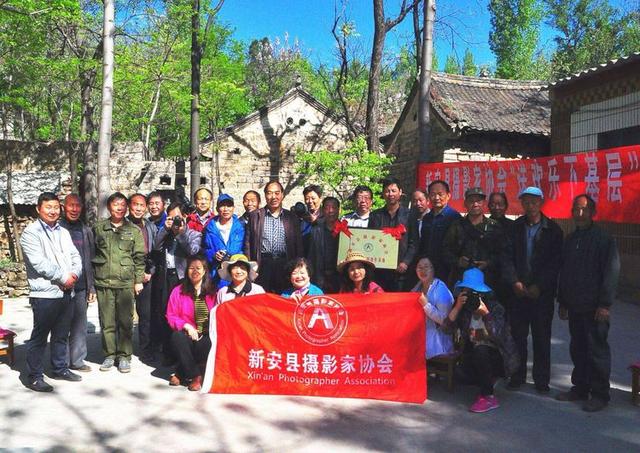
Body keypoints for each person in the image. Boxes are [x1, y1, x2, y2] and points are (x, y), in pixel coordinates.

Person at [556, 194, 620, 412]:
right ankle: (580, 388)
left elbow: (611, 273)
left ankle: (600, 394)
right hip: (575, 305)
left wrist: (605, 304)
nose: (579, 214)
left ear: (593, 213)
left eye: (584, 209)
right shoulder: (571, 239)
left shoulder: (603, 239)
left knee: (597, 350)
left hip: (595, 308)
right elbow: (564, 272)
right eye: (576, 209)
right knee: (578, 348)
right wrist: (563, 301)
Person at [21, 192, 83, 391]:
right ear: (39, 209)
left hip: (67, 292)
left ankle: (60, 368)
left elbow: (75, 255)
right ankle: (34, 376)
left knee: (61, 334)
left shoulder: (63, 231)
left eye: (56, 207)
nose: (53, 211)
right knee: (40, 337)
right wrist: (63, 277)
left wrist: (74, 273)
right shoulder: (31, 233)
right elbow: (39, 263)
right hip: (45, 294)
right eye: (48, 207)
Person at [503, 186, 563, 393]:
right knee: (518, 336)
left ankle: (541, 380)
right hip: (518, 292)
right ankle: (517, 376)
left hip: (541, 295)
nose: (530, 206)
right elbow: (507, 258)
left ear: (541, 203)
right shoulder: (515, 227)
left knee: (541, 337)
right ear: (522, 203)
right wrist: (514, 282)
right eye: (526, 202)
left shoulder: (553, 230)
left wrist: (540, 285)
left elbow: (555, 264)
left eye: (534, 202)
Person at [443, 268, 519, 413]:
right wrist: (458, 307)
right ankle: (485, 379)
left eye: (475, 292)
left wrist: (486, 315)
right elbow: (446, 329)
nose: (472, 296)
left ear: (483, 293)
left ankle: (488, 396)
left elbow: (500, 336)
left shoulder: (495, 307)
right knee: (460, 375)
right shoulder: (464, 308)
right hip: (472, 356)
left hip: (496, 356)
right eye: (467, 291)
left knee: (480, 349)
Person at [93, 192, 146, 373]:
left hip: (125, 283)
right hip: (104, 282)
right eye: (116, 204)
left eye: (123, 205)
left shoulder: (134, 231)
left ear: (127, 208)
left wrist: (138, 281)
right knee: (107, 322)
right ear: (109, 207)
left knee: (125, 322)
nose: (119, 208)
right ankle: (109, 355)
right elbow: (92, 255)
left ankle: (124, 356)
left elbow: (139, 258)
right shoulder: (98, 229)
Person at [152, 201, 202, 363]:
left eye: (178, 218)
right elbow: (155, 247)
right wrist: (164, 230)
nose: (175, 221)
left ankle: (183, 353)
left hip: (183, 279)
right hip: (166, 276)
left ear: (185, 217)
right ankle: (168, 353)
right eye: (171, 218)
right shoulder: (166, 233)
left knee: (184, 315)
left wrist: (180, 233)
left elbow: (192, 251)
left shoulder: (194, 234)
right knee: (166, 315)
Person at [165, 255, 216, 391]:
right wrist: (186, 326)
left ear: (205, 271)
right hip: (187, 336)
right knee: (177, 337)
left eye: (198, 268)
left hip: (205, 337)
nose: (195, 271)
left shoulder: (213, 292)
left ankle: (181, 371)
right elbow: (171, 315)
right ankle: (196, 375)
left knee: (209, 342)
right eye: (191, 268)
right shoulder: (178, 291)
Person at [244, 180, 304, 293]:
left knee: (284, 297)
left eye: (277, 193)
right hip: (263, 264)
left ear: (282, 195)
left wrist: (298, 267)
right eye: (270, 193)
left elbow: (298, 245)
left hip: (285, 263)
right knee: (262, 297)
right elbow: (248, 244)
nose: (273, 197)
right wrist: (250, 268)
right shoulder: (255, 216)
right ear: (265, 195)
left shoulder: (291, 217)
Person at [442, 187, 507, 288]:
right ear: (465, 204)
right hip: (462, 278)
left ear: (484, 203)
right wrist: (458, 261)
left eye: (478, 201)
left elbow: (503, 253)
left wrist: (488, 263)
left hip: (488, 279)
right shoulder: (457, 226)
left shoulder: (494, 226)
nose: (475, 204)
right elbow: (445, 251)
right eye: (471, 201)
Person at [59, 194, 96, 373]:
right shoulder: (56, 228)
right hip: (60, 285)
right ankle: (61, 362)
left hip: (81, 285)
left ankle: (77, 360)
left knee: (80, 324)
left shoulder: (85, 229)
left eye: (77, 206)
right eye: (70, 206)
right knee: (61, 325)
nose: (74, 209)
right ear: (63, 207)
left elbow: (90, 259)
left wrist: (91, 286)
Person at [369, 177, 417, 291]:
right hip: (380, 271)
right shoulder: (375, 216)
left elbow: (414, 242)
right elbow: (371, 240)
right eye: (387, 191)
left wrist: (405, 262)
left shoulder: (409, 215)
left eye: (393, 191)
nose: (390, 194)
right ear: (383, 194)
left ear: (400, 192)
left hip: (402, 272)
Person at [127, 193, 158, 362]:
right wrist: (135, 277)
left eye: (141, 205)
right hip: (126, 275)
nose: (138, 208)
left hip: (146, 273)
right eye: (135, 205)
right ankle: (122, 350)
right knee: (124, 315)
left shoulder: (150, 226)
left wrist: (149, 272)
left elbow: (155, 252)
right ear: (129, 207)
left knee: (146, 314)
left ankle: (145, 349)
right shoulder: (123, 225)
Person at [418, 180, 461, 282]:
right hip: (428, 267)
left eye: (440, 194)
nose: (437, 198)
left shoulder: (454, 217)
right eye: (433, 194)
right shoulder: (427, 218)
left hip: (447, 268)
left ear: (448, 195)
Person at [412, 257, 454, 359]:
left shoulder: (441, 289)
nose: (423, 271)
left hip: (437, 344)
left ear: (433, 269)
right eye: (419, 267)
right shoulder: (416, 287)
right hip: (419, 340)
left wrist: (426, 305)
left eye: (426, 267)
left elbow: (444, 321)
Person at [202, 194, 245, 287]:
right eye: (222, 206)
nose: (226, 209)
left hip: (237, 271)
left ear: (233, 208)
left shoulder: (240, 226)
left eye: (229, 206)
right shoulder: (210, 227)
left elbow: (244, 248)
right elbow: (205, 248)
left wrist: (231, 256)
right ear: (217, 208)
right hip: (216, 273)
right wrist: (214, 256)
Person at [307, 197, 341, 292]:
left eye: (333, 207)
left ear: (339, 210)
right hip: (319, 278)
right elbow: (311, 256)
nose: (330, 211)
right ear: (322, 210)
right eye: (327, 208)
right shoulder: (315, 230)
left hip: (340, 279)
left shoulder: (346, 231)